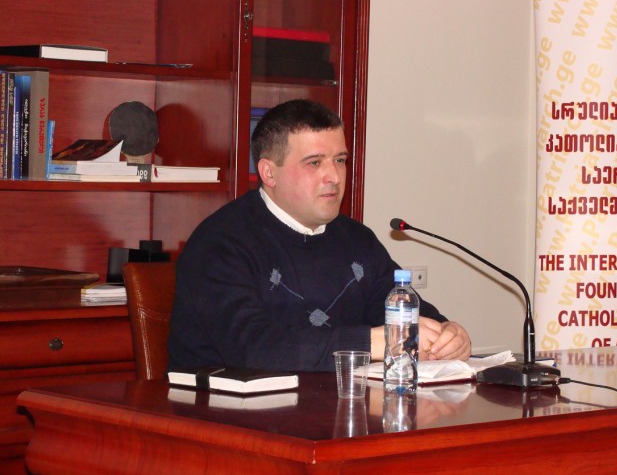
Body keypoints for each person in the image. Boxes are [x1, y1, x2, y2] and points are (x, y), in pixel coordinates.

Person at [168, 99, 471, 372]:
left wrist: (447, 335)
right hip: (225, 410)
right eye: (314, 163)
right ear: (269, 173)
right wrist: (371, 343)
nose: (334, 177)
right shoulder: (220, 244)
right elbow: (252, 349)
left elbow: (399, 308)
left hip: (337, 406)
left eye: (340, 160)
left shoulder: (357, 240)